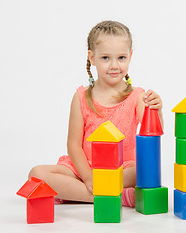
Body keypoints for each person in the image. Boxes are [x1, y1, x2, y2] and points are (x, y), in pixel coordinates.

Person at [28, 20, 163, 208]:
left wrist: (156, 109)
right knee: (36, 174)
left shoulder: (137, 96)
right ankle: (116, 197)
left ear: (130, 56)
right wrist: (88, 177)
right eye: (105, 58)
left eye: (121, 58)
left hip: (122, 170)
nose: (114, 65)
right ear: (92, 58)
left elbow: (154, 134)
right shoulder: (81, 96)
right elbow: (73, 145)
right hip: (84, 168)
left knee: (145, 170)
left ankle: (78, 192)